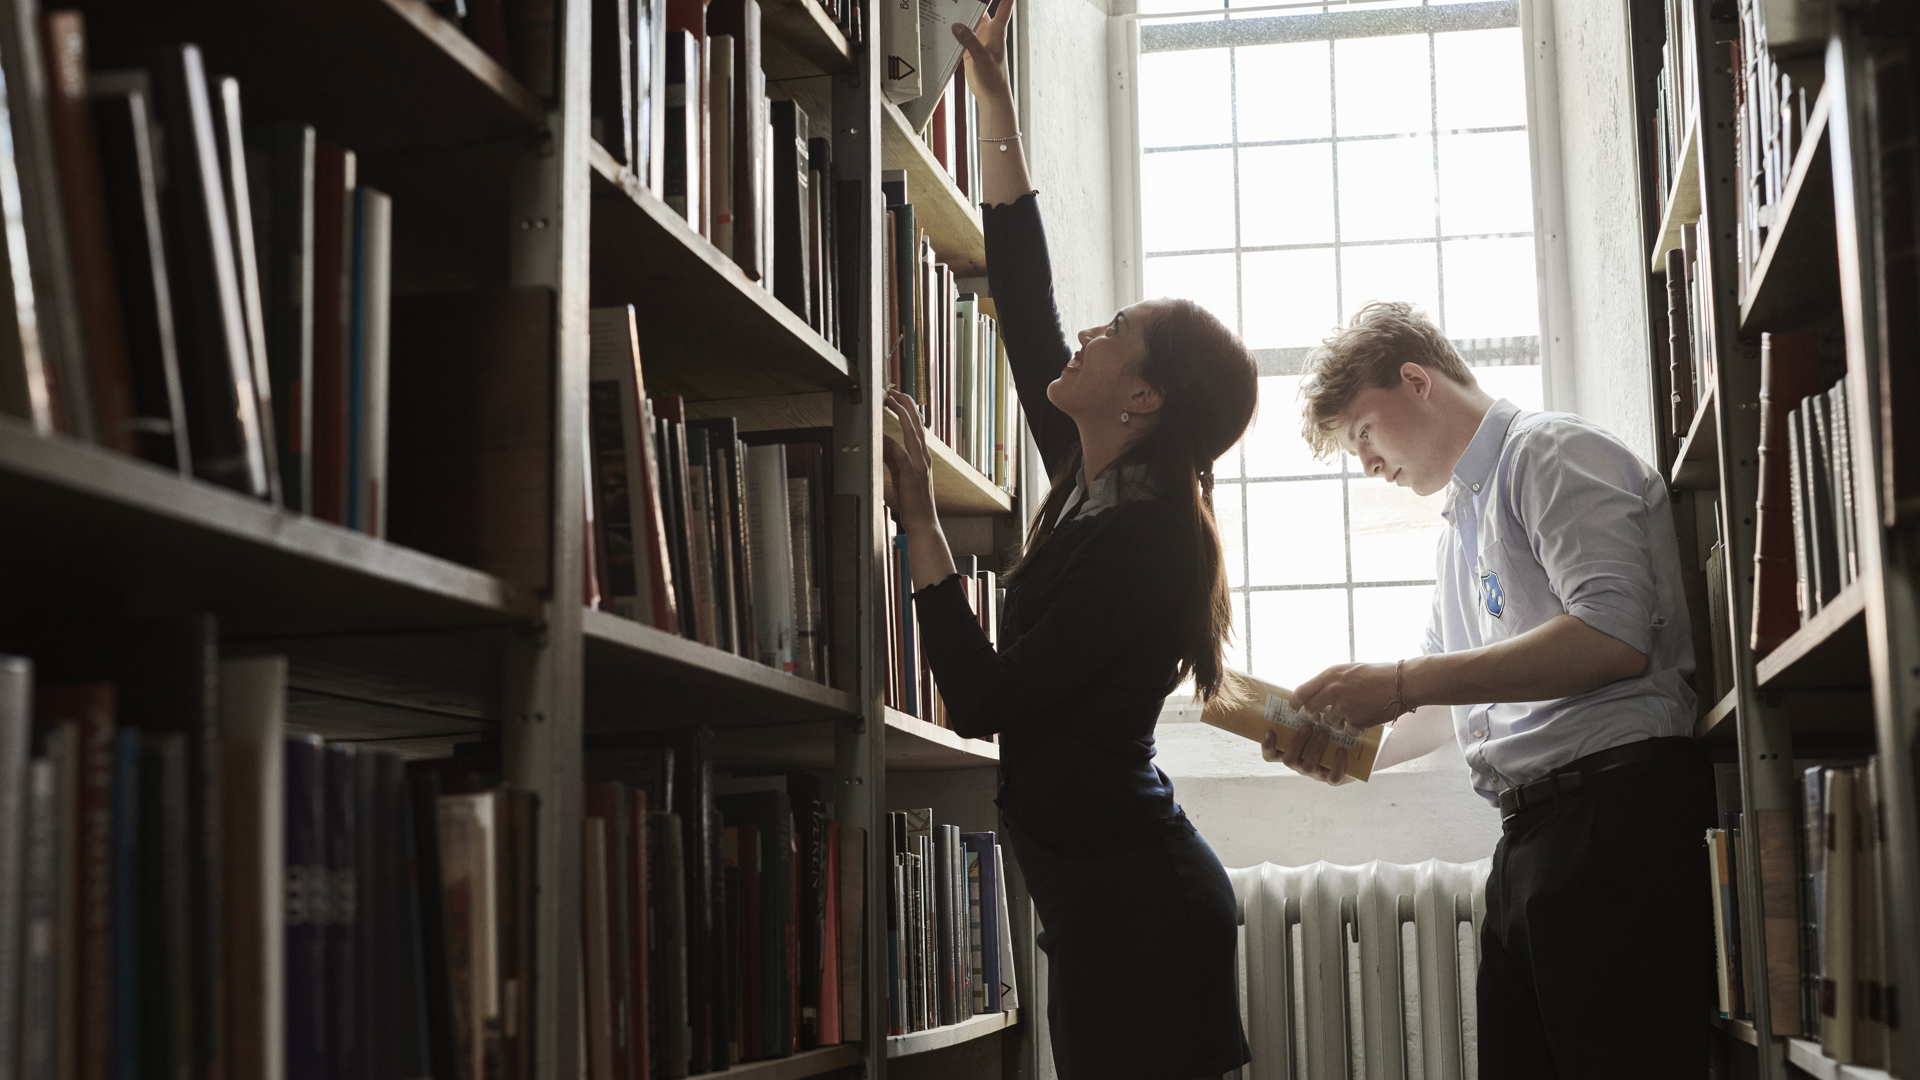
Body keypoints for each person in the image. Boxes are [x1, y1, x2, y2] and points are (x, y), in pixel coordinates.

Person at [877, 3, 1257, 1076]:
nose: (1089, 333)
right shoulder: (1089, 482)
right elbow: (1025, 293)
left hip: (1143, 911)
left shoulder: (1147, 538)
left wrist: (921, 523)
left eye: (1116, 331)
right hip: (1098, 900)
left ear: (1143, 396)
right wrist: (996, 104)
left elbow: (987, 701)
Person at [1265, 301, 1715, 1078]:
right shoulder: (1458, 535)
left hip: (1615, 823)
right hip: (1529, 844)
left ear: (1416, 381)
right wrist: (1345, 751)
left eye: (1364, 432)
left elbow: (1610, 636)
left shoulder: (1552, 453)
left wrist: (1399, 681)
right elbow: (1441, 705)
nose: (1367, 464)